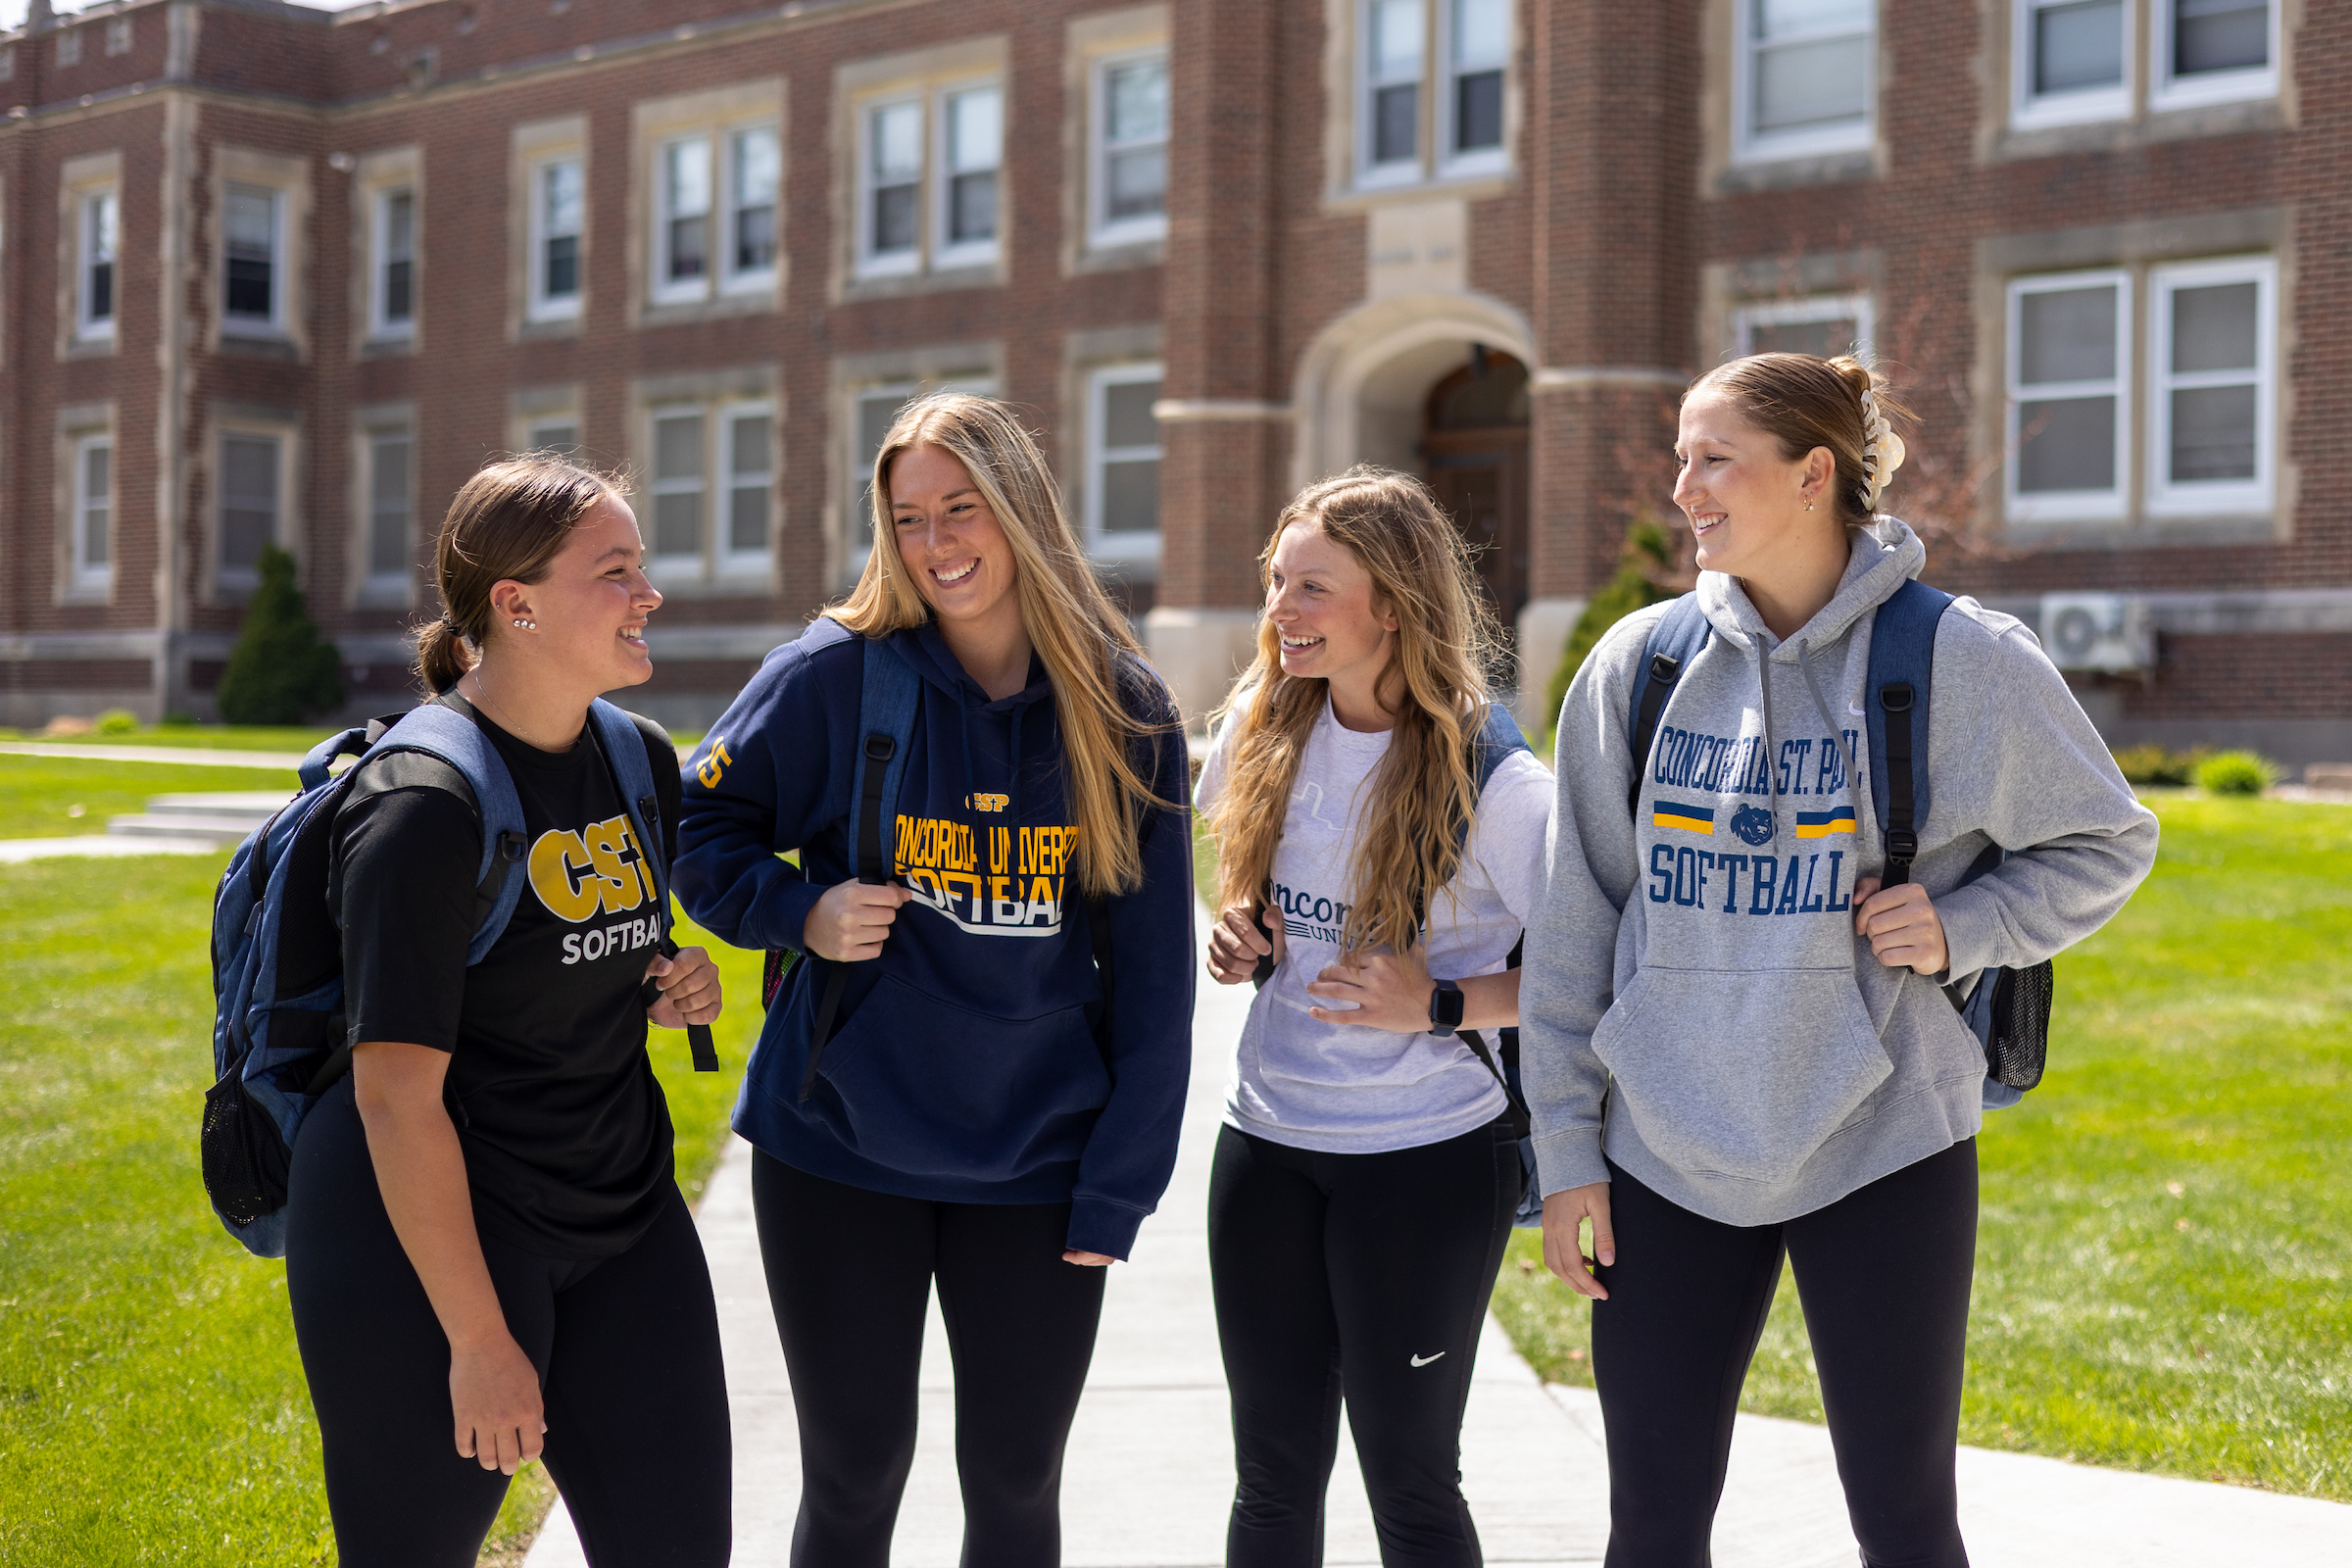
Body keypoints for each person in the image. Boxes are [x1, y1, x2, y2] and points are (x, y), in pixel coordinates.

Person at [1523, 354, 2159, 1566]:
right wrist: (1564, 1152)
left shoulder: (1957, 657)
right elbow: (1574, 926)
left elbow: (2108, 840)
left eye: (1714, 459)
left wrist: (1965, 926)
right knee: (1651, 1528)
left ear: (1815, 475)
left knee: (1906, 1525)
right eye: (1679, 458)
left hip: (1886, 1144)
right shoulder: (1640, 668)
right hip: (1665, 1147)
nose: (1683, 489)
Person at [673, 392, 1195, 1566]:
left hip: (1038, 1162)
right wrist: (796, 910)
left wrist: (1118, 1186)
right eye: (909, 518)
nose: (938, 542)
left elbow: (1155, 981)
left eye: (962, 509)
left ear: (1022, 510)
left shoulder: (1121, 710)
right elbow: (697, 826)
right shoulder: (833, 677)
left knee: (1015, 1483)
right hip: (839, 1147)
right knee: (855, 1476)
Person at [284, 455, 731, 1568]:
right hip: (430, 1231)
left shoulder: (636, 758)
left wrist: (671, 978)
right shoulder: (421, 808)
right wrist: (478, 1337)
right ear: (515, 606)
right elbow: (393, 1095)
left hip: (617, 1203)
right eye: (616, 571)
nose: (650, 596)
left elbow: (561, 941)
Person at [1198, 467, 1552, 1567]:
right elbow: (1255, 889)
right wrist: (1239, 927)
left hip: (1427, 1158)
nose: (1279, 611)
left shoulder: (1497, 780)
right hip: (1267, 1140)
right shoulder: (1260, 727)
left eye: (1313, 588)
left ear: (1390, 605)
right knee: (1270, 1481)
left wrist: (1441, 1002)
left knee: (1407, 1478)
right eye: (1275, 582)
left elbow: (1602, 977)